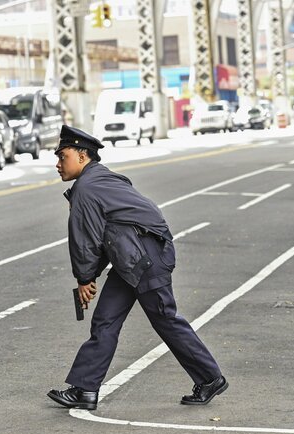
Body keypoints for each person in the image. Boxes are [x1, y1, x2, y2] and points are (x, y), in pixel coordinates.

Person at [47, 125, 227, 411]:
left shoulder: (87, 187)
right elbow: (109, 232)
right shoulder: (102, 179)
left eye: (63, 157)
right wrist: (90, 275)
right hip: (131, 258)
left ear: (82, 156)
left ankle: (210, 378)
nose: (57, 164)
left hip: (145, 257)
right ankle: (85, 390)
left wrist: (85, 278)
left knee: (165, 318)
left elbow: (86, 239)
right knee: (105, 320)